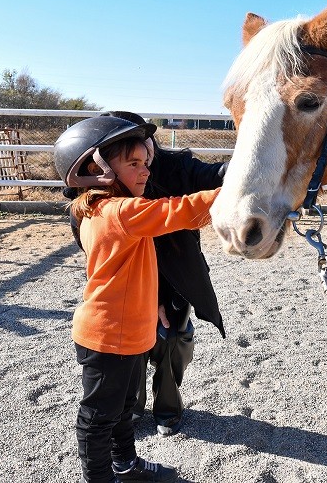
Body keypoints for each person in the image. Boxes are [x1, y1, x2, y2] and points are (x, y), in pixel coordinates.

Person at [53, 115, 220, 483]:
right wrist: (241, 191)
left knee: (124, 406)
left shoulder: (104, 210)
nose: (145, 171)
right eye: (133, 163)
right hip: (108, 336)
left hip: (128, 334)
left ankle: (125, 465)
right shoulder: (118, 211)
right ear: (92, 170)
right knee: (98, 417)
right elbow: (182, 211)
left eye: (146, 162)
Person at [102, 111, 227, 437]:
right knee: (130, 345)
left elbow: (213, 176)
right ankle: (131, 407)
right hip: (128, 277)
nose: (144, 162)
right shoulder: (103, 193)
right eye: (131, 156)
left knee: (172, 336)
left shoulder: (176, 166)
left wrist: (241, 168)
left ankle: (167, 409)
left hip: (174, 274)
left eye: (145, 147)